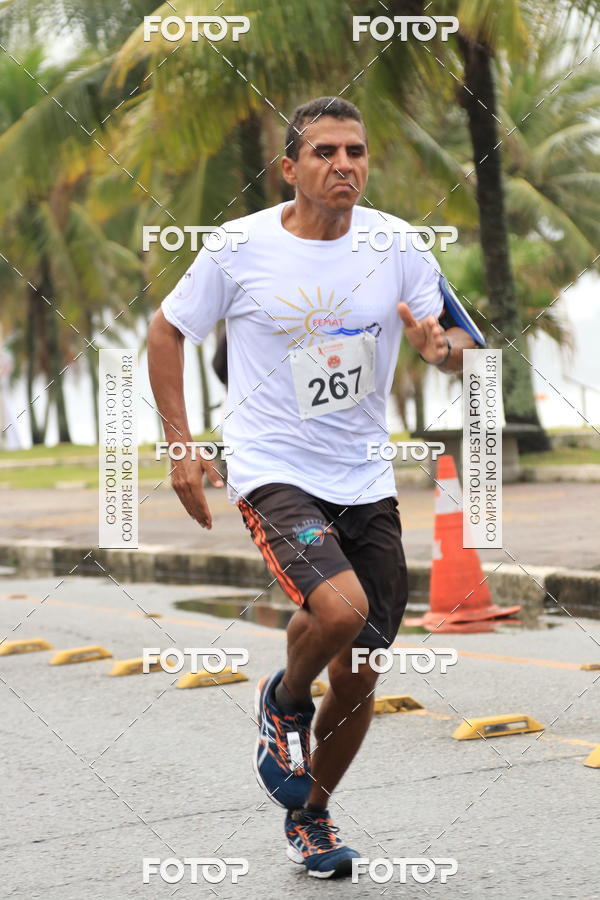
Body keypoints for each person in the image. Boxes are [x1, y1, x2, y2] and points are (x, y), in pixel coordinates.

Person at [148, 96, 478, 880]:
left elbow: (465, 340)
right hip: (272, 468)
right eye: (325, 152)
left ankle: (312, 815)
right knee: (340, 607)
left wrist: (442, 348)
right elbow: (167, 330)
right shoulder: (239, 248)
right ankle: (283, 701)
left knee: (361, 667)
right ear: (289, 168)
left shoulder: (398, 245)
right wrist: (182, 444)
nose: (344, 165)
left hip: (363, 473)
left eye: (356, 152)